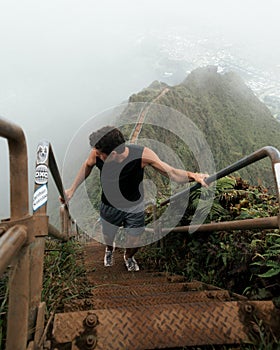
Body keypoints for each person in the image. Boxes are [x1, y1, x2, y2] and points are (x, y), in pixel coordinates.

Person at [63, 126, 209, 271]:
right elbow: (87, 166)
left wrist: (194, 175)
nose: (97, 155)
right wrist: (72, 189)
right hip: (109, 205)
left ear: (113, 153)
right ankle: (109, 249)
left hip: (134, 205)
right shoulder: (96, 154)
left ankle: (128, 256)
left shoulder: (141, 155)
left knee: (135, 239)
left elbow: (171, 172)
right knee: (108, 235)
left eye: (101, 153)